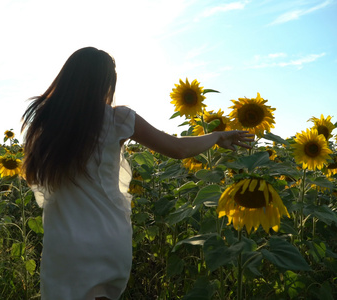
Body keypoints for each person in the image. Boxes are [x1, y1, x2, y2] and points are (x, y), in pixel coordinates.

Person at [21, 47, 254, 300]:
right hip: (107, 236)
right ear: (106, 82)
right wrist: (217, 135)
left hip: (64, 242)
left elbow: (33, 177)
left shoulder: (45, 120)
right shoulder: (117, 119)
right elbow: (177, 148)